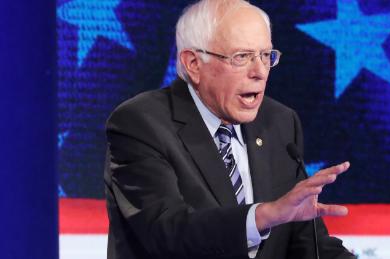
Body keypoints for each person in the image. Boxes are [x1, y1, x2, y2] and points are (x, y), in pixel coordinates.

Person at [104, 0, 356, 258]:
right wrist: (264, 215)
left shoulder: (280, 123)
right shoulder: (141, 123)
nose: (259, 72)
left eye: (266, 56)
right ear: (193, 64)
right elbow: (168, 233)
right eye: (242, 57)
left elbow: (307, 244)